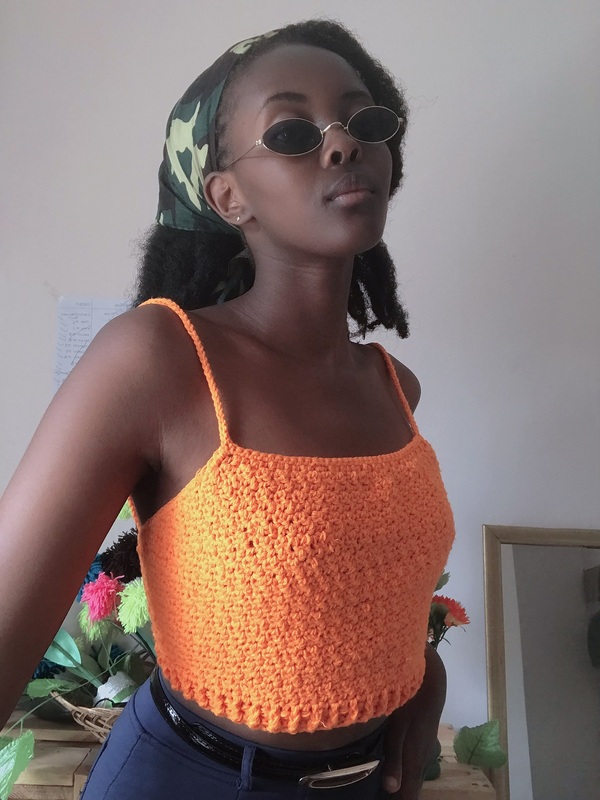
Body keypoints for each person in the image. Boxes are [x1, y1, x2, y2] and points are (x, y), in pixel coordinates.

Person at [0, 19, 455, 799]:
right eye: (291, 132)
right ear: (227, 196)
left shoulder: (393, 387)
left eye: (365, 120)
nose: (343, 144)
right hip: (191, 777)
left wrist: (423, 676)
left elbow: (353, 587)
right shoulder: (159, 362)